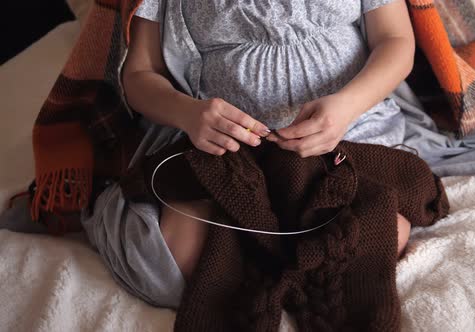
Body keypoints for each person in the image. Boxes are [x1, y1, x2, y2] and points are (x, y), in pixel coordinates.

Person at [81, 0, 416, 309]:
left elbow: (395, 39)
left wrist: (346, 107)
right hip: (225, 145)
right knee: (171, 260)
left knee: (378, 234)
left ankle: (274, 254)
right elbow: (139, 75)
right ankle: (269, 251)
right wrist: (189, 114)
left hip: (344, 133)